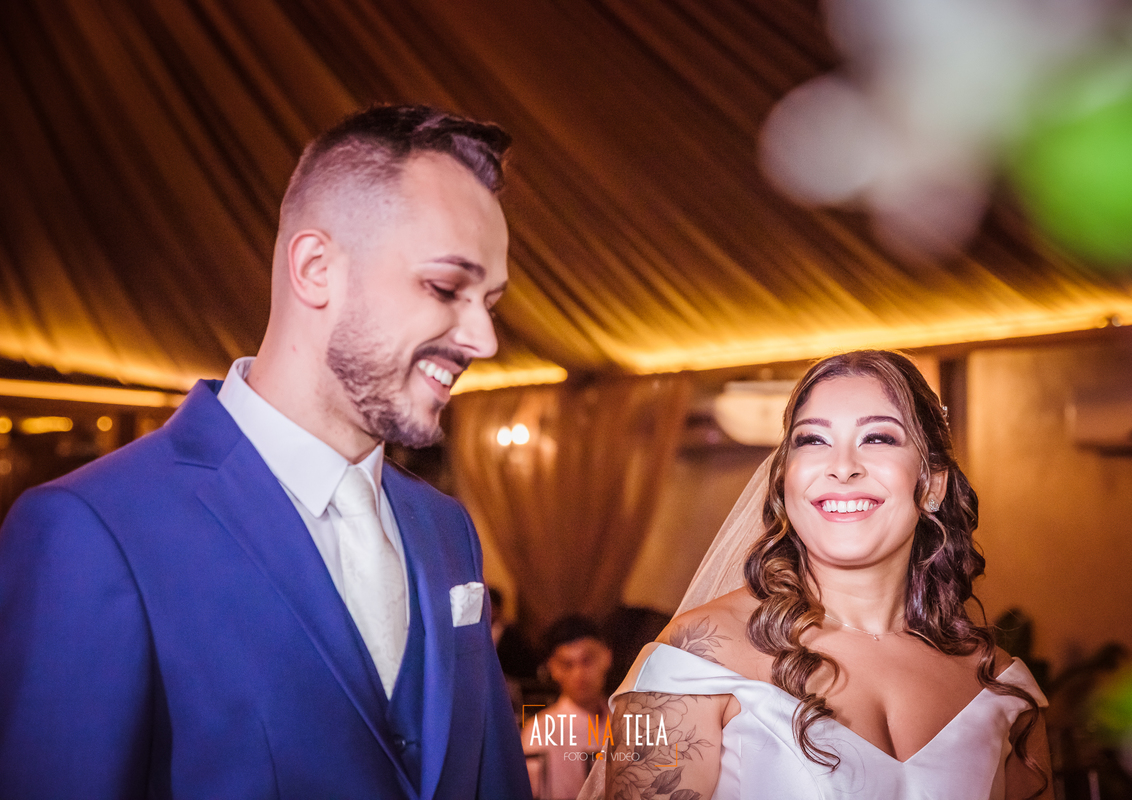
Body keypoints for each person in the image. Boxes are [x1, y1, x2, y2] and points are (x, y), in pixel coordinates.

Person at [0, 104, 532, 800]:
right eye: (445, 288)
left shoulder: (446, 528)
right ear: (315, 268)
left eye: (490, 302)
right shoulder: (91, 529)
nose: (484, 340)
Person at [588, 350, 1051, 800]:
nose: (843, 467)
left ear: (932, 483)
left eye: (878, 438)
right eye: (813, 440)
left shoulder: (1000, 684)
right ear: (784, 479)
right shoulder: (698, 654)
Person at [522, 616, 613, 800]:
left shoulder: (628, 720)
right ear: (553, 669)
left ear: (606, 657)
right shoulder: (541, 731)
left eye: (587, 660)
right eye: (567, 664)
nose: (579, 674)